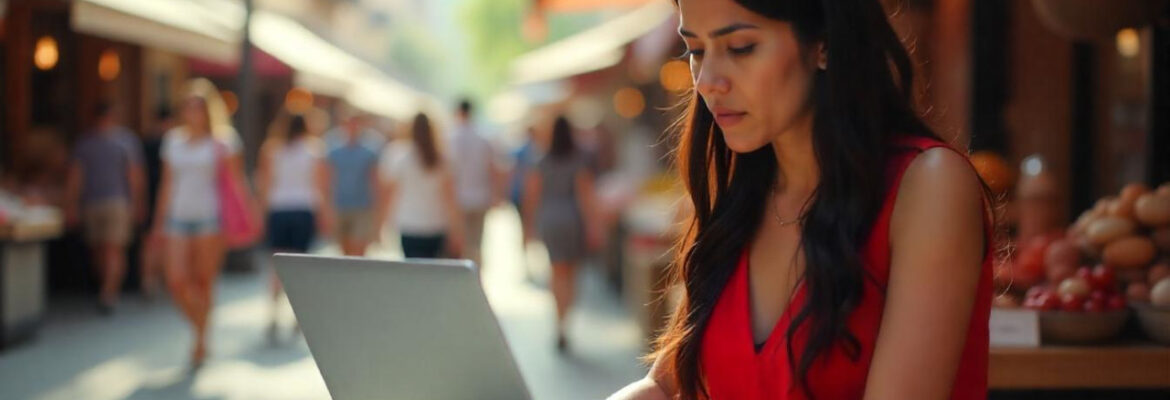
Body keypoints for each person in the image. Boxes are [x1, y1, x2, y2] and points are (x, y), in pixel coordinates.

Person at [610, 0, 992, 399]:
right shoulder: (741, 199)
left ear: (823, 43)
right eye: (695, 51)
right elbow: (662, 383)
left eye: (740, 47)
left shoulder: (928, 188)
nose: (707, 80)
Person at [151, 79, 250, 369]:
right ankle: (201, 330)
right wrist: (158, 224)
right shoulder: (173, 141)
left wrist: (248, 217)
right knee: (177, 281)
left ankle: (200, 341)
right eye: (188, 106)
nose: (193, 111)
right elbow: (167, 184)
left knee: (204, 281)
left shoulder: (224, 141)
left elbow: (236, 183)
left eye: (199, 106)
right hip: (178, 219)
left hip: (211, 219)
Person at [522, 116, 600, 352]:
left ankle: (558, 321)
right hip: (572, 220)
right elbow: (585, 197)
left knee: (556, 272)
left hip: (550, 219)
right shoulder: (578, 161)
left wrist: (529, 226)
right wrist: (593, 226)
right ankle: (566, 320)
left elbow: (532, 196)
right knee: (572, 273)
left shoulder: (541, 161)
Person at [64, 102, 145, 313]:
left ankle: (109, 294)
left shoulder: (125, 141)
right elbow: (76, 176)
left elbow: (134, 175)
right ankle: (105, 287)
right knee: (98, 249)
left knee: (113, 248)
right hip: (92, 201)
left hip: (117, 202)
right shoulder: (86, 143)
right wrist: (71, 204)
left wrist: (137, 203)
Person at [256, 113, 331, 341]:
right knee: (300, 265)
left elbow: (265, 184)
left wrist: (262, 214)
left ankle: (273, 314)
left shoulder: (272, 150)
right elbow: (320, 186)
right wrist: (325, 216)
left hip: (279, 209)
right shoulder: (314, 150)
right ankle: (298, 318)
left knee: (277, 265)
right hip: (303, 209)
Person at [380, 113, 464, 259]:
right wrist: (456, 230)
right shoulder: (442, 158)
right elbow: (450, 198)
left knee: (413, 273)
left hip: (408, 224)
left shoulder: (397, 154)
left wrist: (382, 224)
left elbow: (388, 193)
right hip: (436, 224)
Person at [448, 99, 500, 268]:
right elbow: (493, 169)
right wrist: (496, 195)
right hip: (480, 197)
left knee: (458, 243)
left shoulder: (449, 138)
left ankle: (461, 280)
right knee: (476, 243)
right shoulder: (483, 138)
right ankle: (476, 278)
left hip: (457, 199)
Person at [325, 114, 382, 256]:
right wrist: (327, 208)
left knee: (359, 248)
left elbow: (374, 182)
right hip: (340, 205)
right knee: (343, 249)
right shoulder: (334, 152)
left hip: (362, 207)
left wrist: (377, 211)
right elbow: (328, 180)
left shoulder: (369, 153)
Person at [139, 107, 175, 298]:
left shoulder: (154, 143)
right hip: (160, 197)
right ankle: (154, 281)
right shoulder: (168, 144)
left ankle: (151, 281)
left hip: (158, 197)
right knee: (157, 241)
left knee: (153, 241)